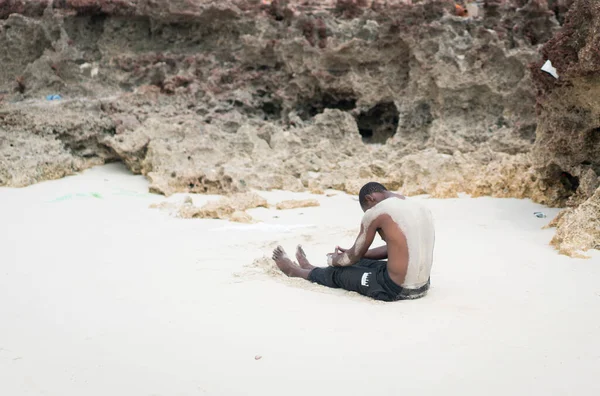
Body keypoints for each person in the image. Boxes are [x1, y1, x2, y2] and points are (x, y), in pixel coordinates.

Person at [272, 182, 435, 302]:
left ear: (370, 198)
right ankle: (311, 268)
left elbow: (351, 258)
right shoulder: (419, 207)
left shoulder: (377, 212)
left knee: (339, 272)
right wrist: (358, 255)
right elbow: (402, 248)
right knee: (362, 261)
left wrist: (334, 260)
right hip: (423, 285)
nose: (380, 234)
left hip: (394, 288)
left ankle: (296, 271)